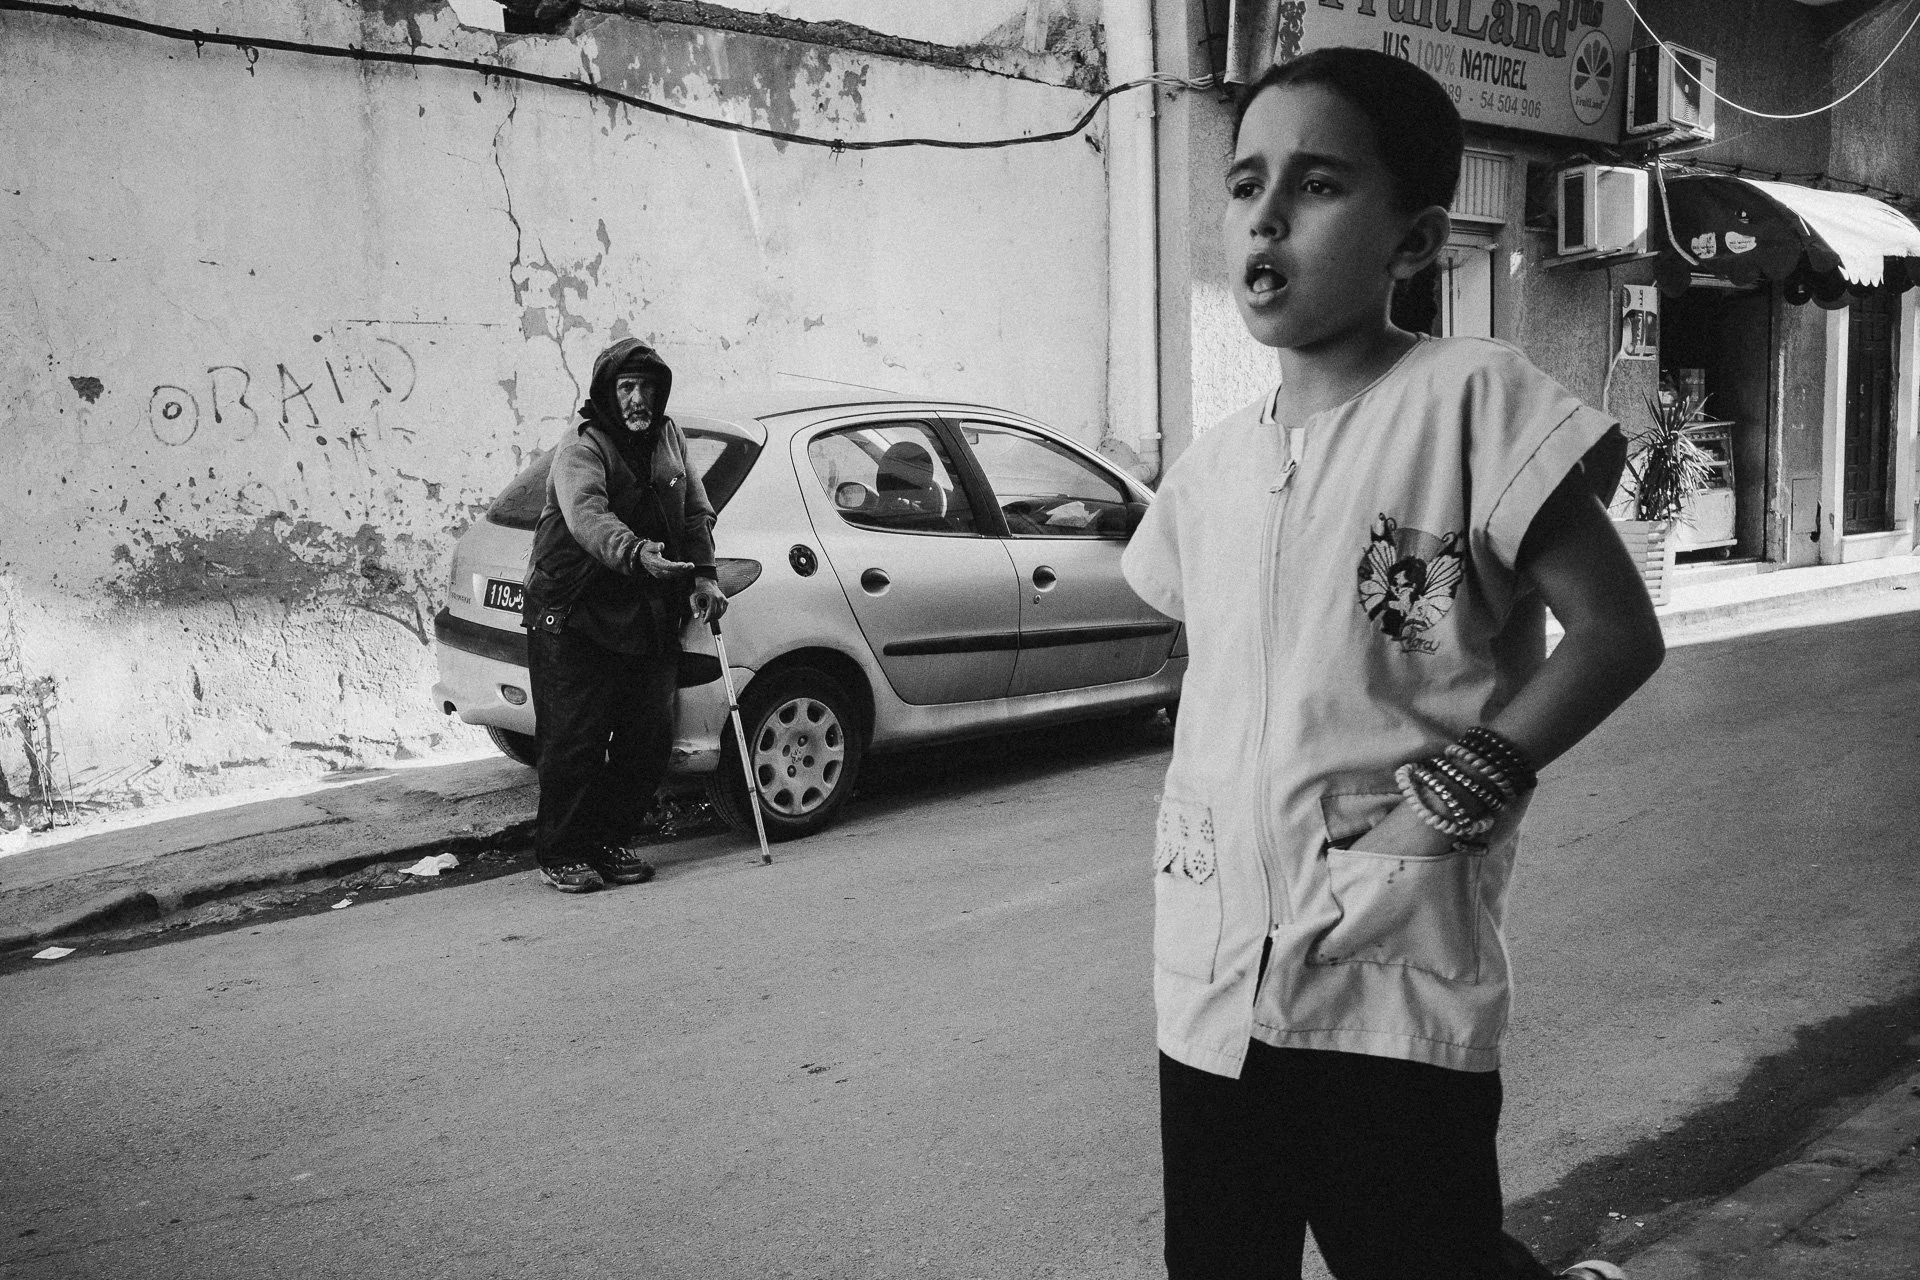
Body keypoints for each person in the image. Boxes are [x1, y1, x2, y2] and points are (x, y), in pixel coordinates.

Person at [1120, 48, 1665, 1280]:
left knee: (1421, 1255)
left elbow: (1621, 633)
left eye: (1317, 186)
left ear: (1415, 242)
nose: (1267, 214)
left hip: (1389, 969)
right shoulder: (1206, 473)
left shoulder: (1474, 402)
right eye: (1248, 182)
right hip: (1211, 980)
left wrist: (1470, 777)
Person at [520, 337, 727, 894]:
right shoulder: (582, 447)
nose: (638, 399)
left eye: (648, 388)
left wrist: (704, 575)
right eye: (626, 388)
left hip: (644, 613)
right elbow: (588, 516)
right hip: (574, 612)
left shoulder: (669, 436)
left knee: (646, 740)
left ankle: (608, 839)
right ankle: (561, 850)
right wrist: (637, 552)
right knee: (574, 742)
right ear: (608, 393)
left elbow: (695, 512)